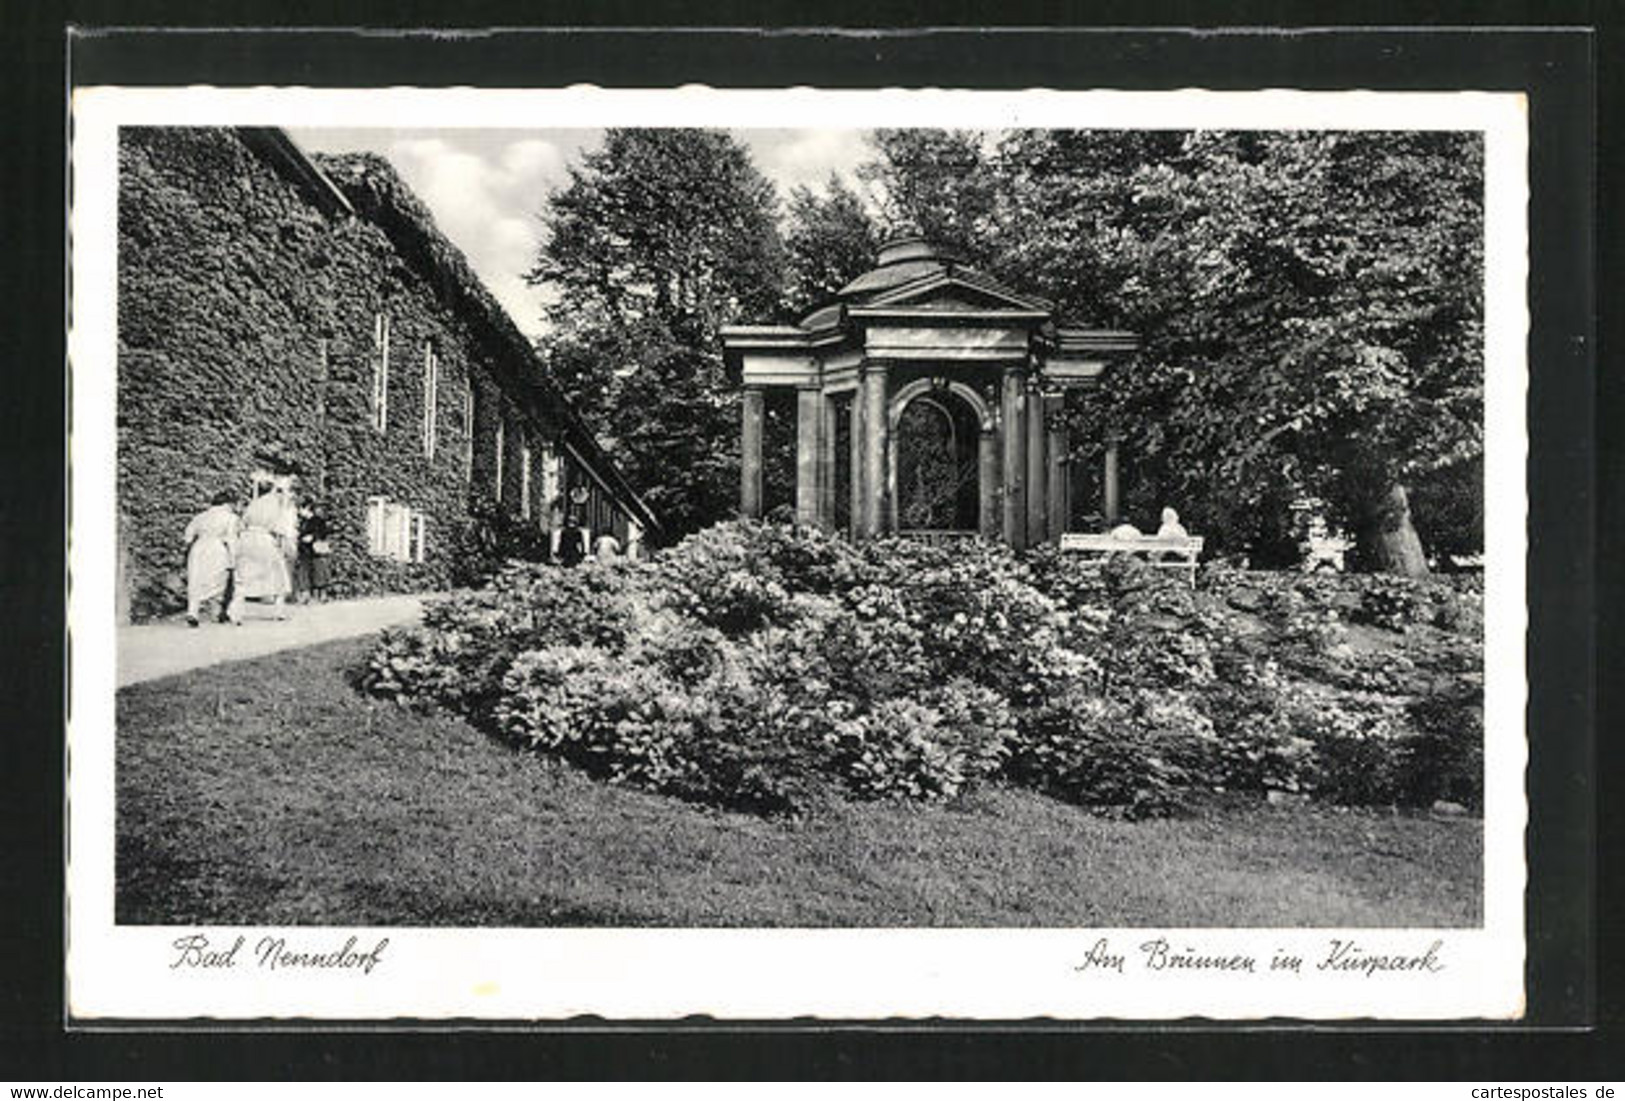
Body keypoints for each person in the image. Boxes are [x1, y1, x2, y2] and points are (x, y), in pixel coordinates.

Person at [230, 482, 295, 622]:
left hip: (246, 539)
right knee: (279, 576)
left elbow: (241, 524)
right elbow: (280, 528)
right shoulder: (277, 505)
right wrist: (284, 545)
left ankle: (236, 613)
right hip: (264, 539)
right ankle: (279, 612)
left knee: (243, 576)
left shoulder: (253, 504)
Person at [183, 490, 240, 627]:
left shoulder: (201, 516)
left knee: (196, 579)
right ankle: (215, 612)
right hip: (216, 548)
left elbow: (188, 536)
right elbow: (232, 540)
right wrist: (233, 559)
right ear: (228, 504)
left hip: (198, 547)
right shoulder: (230, 517)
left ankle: (193, 611)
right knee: (217, 580)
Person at [294, 501, 333, 603]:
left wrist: (313, 537)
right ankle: (306, 595)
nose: (299, 512)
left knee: (319, 572)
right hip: (304, 550)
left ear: (307, 508)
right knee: (304, 572)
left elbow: (323, 533)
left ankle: (322, 595)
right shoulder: (303, 521)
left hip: (315, 551)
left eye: (301, 509)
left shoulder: (318, 520)